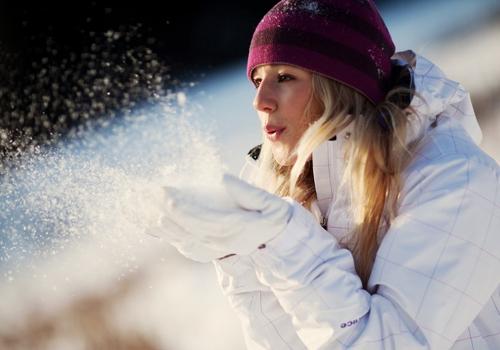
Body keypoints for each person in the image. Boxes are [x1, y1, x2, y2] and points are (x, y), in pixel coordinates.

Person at [158, 0, 500, 349]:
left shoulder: (457, 179)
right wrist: (239, 256)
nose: (260, 101)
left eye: (284, 77)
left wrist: (286, 241)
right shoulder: (296, 192)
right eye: (257, 81)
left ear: (341, 85)